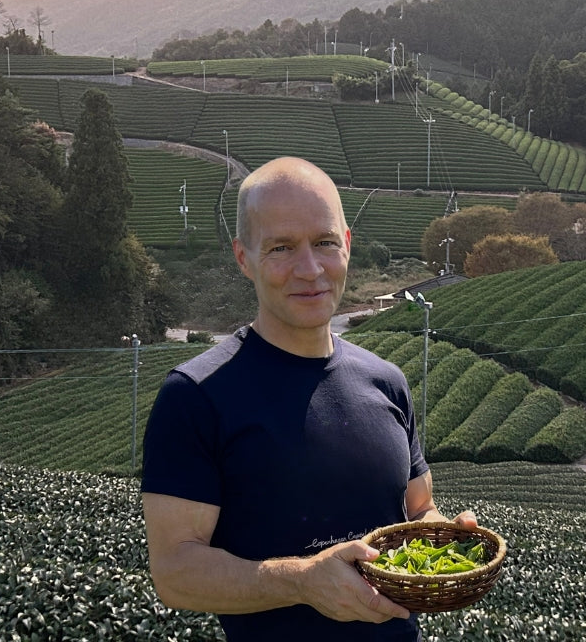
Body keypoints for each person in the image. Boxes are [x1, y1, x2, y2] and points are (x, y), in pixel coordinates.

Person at [141, 156, 476, 641]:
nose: (310, 268)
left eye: (324, 242)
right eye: (281, 247)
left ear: (346, 245)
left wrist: (450, 537)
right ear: (243, 258)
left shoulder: (386, 381)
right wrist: (302, 582)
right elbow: (175, 573)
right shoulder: (196, 397)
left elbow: (420, 509)